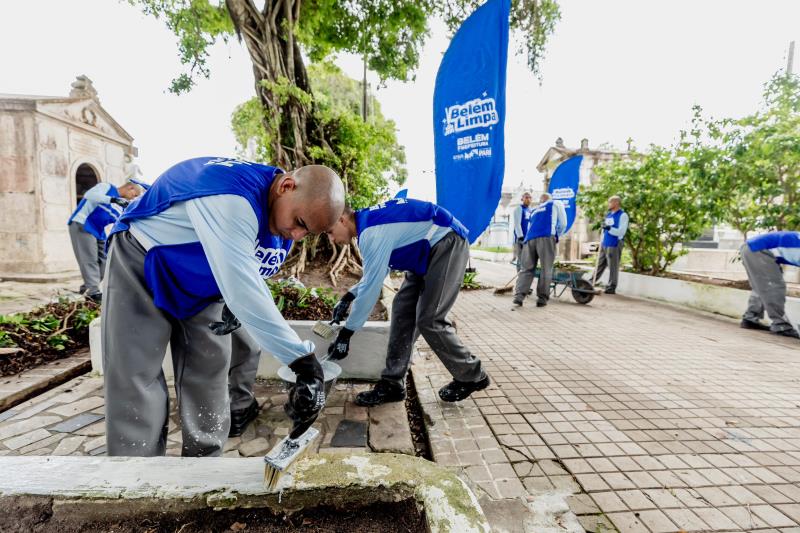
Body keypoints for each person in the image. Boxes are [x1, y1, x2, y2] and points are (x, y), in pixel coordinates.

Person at [102, 156, 345, 457]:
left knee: (210, 365)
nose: (297, 236)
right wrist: (303, 363)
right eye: (299, 224)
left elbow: (248, 274)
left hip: (201, 277)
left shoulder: (281, 216)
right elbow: (243, 287)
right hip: (142, 257)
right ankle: (134, 479)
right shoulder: (232, 197)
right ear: (286, 185)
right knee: (136, 372)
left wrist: (232, 302)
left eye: (307, 233)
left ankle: (204, 468)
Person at [323, 198, 490, 407]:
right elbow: (375, 274)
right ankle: (393, 384)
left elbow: (372, 288)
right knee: (402, 312)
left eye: (329, 231)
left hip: (447, 242)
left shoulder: (372, 232)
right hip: (423, 253)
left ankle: (472, 375)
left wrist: (346, 333)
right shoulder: (369, 224)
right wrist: (349, 296)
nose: (331, 239)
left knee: (430, 319)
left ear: (341, 219)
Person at [67, 181, 142, 302]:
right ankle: (93, 292)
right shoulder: (106, 188)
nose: (134, 197)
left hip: (98, 230)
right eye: (135, 194)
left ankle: (87, 287)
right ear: (130, 187)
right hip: (83, 224)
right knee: (89, 259)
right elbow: (89, 195)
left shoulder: (120, 204)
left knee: (105, 260)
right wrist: (113, 200)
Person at [739, 231, 800, 339]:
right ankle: (781, 325)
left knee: (762, 286)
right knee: (774, 287)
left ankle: (750, 318)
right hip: (759, 249)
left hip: (751, 247)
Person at [512, 193, 567, 308]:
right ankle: (542, 299)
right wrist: (557, 235)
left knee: (526, 269)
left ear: (541, 201)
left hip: (530, 239)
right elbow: (563, 224)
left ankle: (519, 296)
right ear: (550, 199)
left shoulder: (534, 210)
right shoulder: (555, 203)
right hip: (546, 237)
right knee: (546, 268)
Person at [592, 195, 628, 294]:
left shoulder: (623, 215)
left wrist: (609, 228)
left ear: (616, 203)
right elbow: (605, 229)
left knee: (613, 266)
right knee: (599, 264)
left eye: (610, 202)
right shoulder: (609, 214)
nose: (608, 204)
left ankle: (611, 287)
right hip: (605, 243)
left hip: (614, 243)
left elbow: (621, 232)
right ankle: (591, 281)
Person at [511, 192, 533, 271]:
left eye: (530, 198)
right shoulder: (519, 209)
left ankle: (524, 276)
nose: (528, 199)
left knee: (526, 259)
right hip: (521, 238)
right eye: (526, 197)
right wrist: (520, 237)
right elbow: (517, 224)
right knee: (520, 259)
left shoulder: (530, 210)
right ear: (522, 198)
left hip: (528, 238)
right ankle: (519, 277)